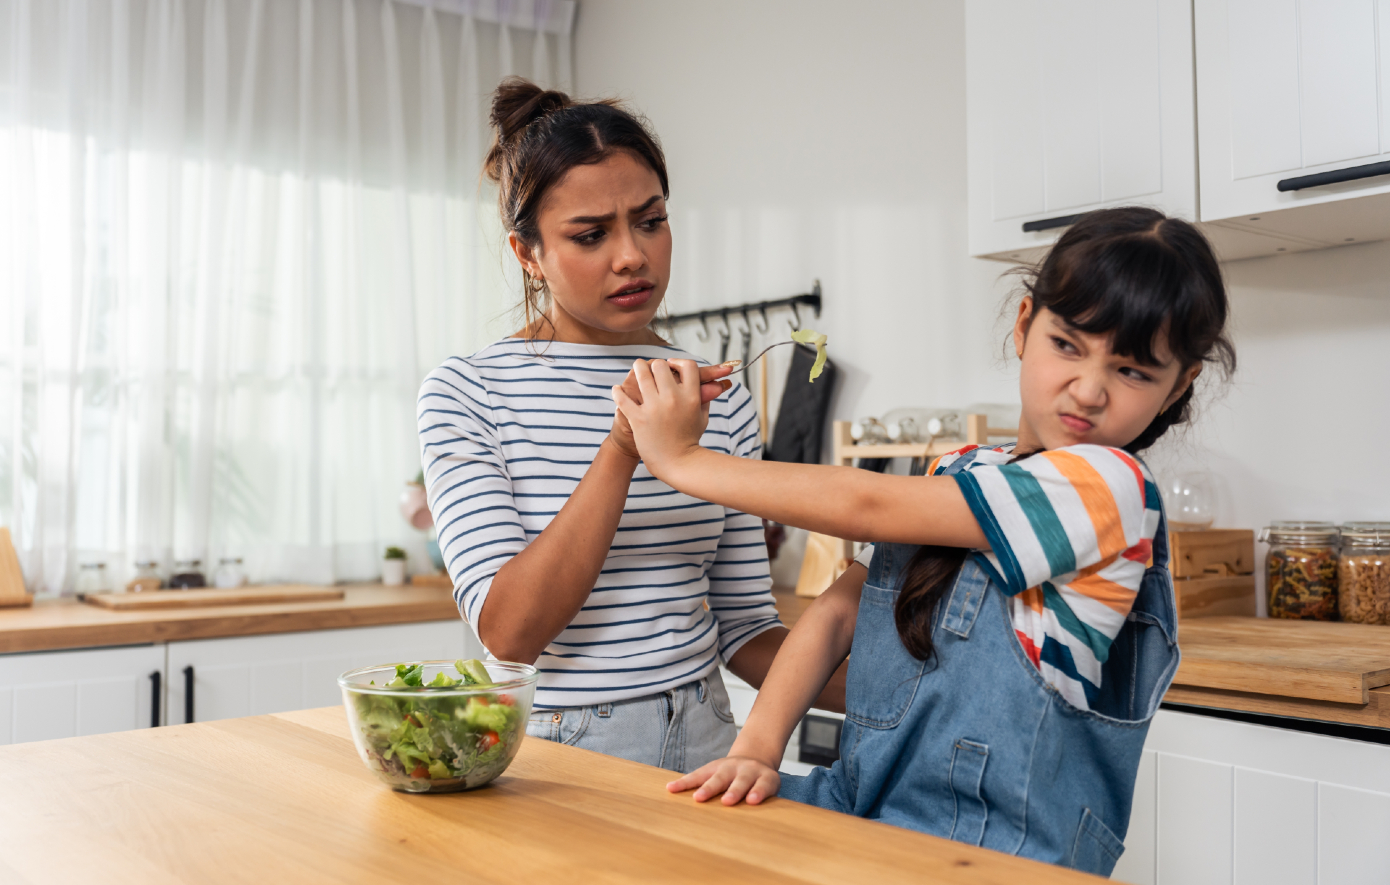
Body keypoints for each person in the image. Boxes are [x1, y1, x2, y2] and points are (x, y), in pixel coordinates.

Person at [611, 207, 1235, 876]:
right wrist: (757, 748)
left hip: (996, 856)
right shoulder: (961, 469)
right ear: (1025, 325)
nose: (1088, 388)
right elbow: (837, 612)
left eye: (1133, 371)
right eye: (1068, 344)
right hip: (865, 813)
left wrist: (683, 461)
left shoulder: (1108, 485)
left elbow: (866, 502)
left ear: (1181, 383)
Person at [417, 78, 844, 773]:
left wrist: (919, 692)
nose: (632, 256)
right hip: (557, 751)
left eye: (650, 220)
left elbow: (745, 628)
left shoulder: (716, 393)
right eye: (590, 235)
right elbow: (510, 631)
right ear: (528, 253)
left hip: (708, 736)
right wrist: (625, 445)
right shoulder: (470, 391)